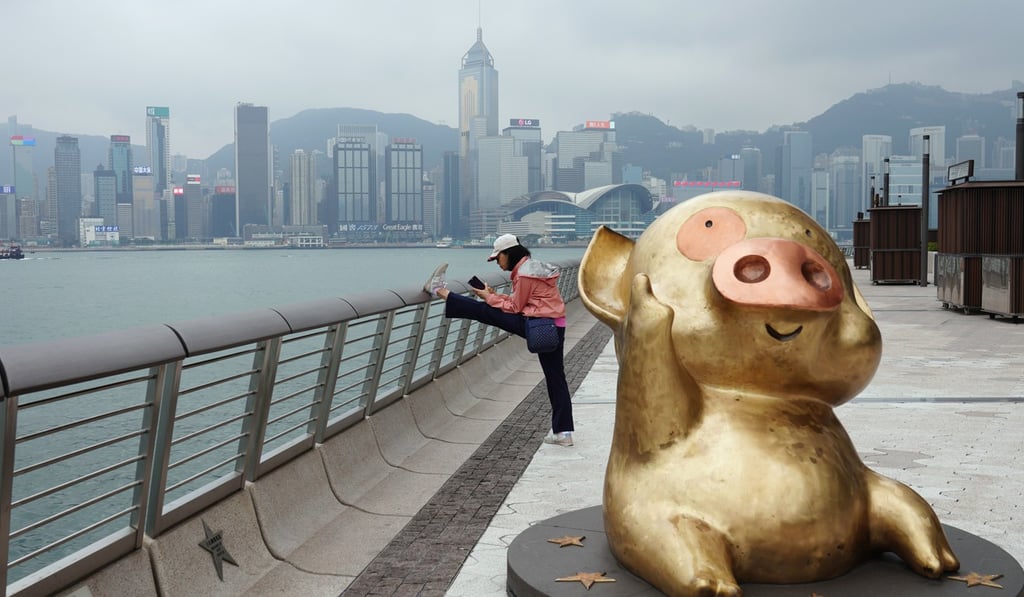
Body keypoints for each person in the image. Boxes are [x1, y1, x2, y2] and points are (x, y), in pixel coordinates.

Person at [423, 234, 574, 446]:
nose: (498, 263)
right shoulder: (533, 267)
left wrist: (489, 297)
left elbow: (515, 307)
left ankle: (438, 289)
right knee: (556, 379)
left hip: (538, 325)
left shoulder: (523, 274)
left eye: (498, 258)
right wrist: (496, 297)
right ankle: (563, 433)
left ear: (507, 253)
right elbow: (523, 302)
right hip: (555, 324)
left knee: (483, 310)